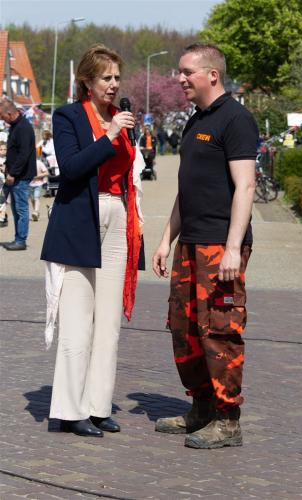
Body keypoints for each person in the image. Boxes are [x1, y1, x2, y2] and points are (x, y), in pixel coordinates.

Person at [152, 43, 258, 449]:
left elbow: (245, 185)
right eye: (179, 72)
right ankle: (201, 408)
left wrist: (233, 247)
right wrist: (166, 240)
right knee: (183, 329)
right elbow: (186, 190)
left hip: (219, 246)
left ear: (212, 74)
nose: (180, 79)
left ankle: (228, 420)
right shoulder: (194, 121)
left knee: (220, 330)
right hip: (190, 244)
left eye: (187, 72)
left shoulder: (236, 119)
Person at [41, 43, 144, 438]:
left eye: (117, 77)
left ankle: (98, 406)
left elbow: (129, 174)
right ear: (86, 80)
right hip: (82, 218)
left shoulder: (122, 116)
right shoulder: (68, 116)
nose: (114, 85)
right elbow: (70, 169)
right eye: (106, 78)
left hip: (117, 216)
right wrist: (110, 135)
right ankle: (69, 410)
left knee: (108, 323)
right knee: (78, 322)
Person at [0, 99, 36, 250]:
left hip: (20, 176)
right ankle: (18, 238)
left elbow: (24, 154)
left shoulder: (23, 128)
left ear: (10, 113)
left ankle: (21, 241)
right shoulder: (16, 126)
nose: (1, 119)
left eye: (2, 116)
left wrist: (13, 173)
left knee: (21, 209)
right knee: (15, 209)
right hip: (15, 175)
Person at [0, 141, 9, 227]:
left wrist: (5, 169)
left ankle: (2, 217)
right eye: (1, 149)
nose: (3, 151)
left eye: (4, 149)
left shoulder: (8, 159)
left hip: (5, 183)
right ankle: (3, 216)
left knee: (3, 201)